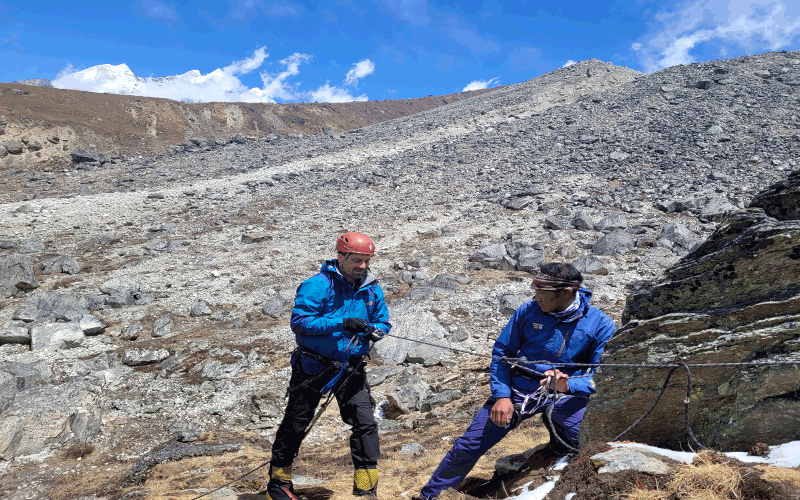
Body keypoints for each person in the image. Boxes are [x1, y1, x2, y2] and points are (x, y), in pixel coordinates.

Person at [413, 262, 616, 500]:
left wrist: (569, 384)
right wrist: (501, 396)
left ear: (567, 292)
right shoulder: (527, 311)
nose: (536, 296)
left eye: (543, 292)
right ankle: (430, 496)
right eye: (535, 289)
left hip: (566, 393)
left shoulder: (601, 324)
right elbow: (502, 353)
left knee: (583, 442)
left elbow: (603, 374)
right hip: (520, 388)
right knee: (468, 445)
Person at [266, 232, 391, 500]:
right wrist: (342, 323)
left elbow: (383, 321)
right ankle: (278, 487)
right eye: (357, 260)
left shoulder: (371, 287)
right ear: (341, 257)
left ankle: (366, 490)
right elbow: (300, 323)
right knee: (296, 424)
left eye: (366, 261)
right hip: (313, 366)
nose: (363, 267)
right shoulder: (317, 285)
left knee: (365, 423)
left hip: (351, 368)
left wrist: (376, 331)